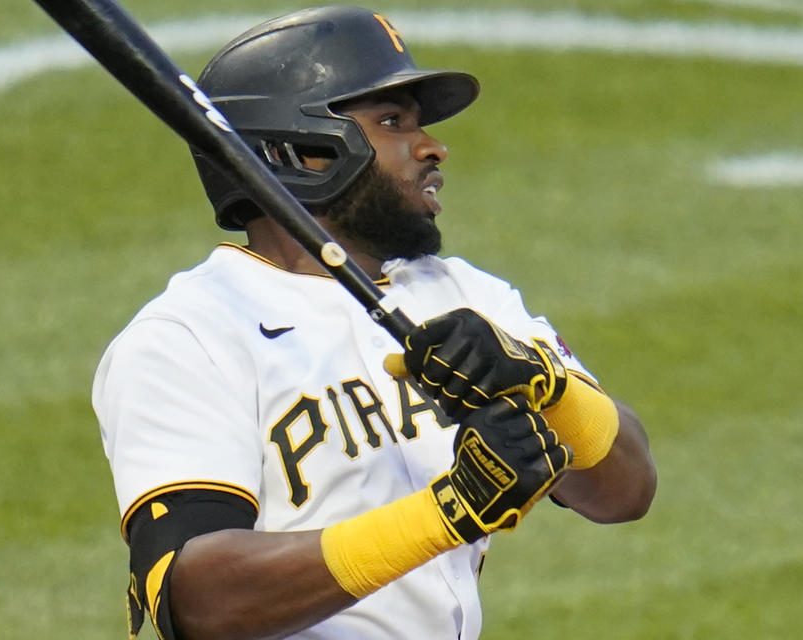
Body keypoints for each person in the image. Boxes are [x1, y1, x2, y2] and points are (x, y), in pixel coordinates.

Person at [91, 6, 657, 640]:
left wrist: (547, 387)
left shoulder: (463, 294)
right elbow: (199, 604)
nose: (433, 147)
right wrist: (445, 516)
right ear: (300, 149)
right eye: (392, 123)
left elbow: (626, 491)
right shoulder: (188, 337)